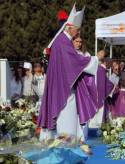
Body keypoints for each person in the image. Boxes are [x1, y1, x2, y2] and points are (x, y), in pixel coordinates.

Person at [38, 4, 109, 145]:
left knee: (67, 118)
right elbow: (75, 62)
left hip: (62, 87)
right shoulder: (63, 42)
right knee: (66, 119)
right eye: (76, 29)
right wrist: (96, 58)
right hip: (64, 91)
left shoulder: (62, 41)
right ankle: (66, 148)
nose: (78, 32)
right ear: (69, 27)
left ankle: (65, 145)